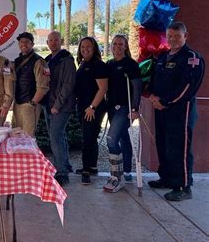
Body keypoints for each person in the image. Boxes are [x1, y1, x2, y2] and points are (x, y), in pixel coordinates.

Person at [148, 22, 205, 201]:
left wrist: (165, 102)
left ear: (185, 36)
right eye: (170, 36)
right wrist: (152, 96)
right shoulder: (164, 56)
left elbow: (187, 87)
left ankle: (182, 186)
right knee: (163, 144)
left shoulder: (191, 58)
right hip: (161, 109)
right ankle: (166, 178)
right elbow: (155, 80)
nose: (173, 40)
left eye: (177, 36)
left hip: (180, 111)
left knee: (179, 148)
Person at [103, 35, 142, 193]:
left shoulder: (131, 65)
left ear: (125, 47)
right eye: (114, 44)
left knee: (112, 139)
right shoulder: (109, 64)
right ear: (111, 46)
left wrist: (135, 109)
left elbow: (137, 88)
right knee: (124, 137)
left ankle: (116, 176)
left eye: (121, 44)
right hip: (112, 107)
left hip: (125, 107)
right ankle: (126, 171)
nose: (117, 46)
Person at [74, 36, 108, 185]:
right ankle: (93, 166)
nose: (85, 49)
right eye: (82, 47)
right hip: (83, 107)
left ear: (94, 48)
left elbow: (103, 89)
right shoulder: (83, 64)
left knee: (87, 138)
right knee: (90, 137)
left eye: (88, 47)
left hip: (93, 108)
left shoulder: (98, 65)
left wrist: (92, 107)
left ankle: (86, 170)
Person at [44, 31, 76, 186]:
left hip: (60, 106)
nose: (53, 42)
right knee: (59, 136)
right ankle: (66, 165)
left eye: (56, 40)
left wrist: (57, 105)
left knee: (55, 137)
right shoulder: (49, 60)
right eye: (51, 40)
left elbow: (68, 85)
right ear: (47, 43)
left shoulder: (67, 60)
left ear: (61, 41)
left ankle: (62, 173)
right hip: (49, 104)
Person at [12, 32, 50, 137]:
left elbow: (43, 86)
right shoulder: (18, 61)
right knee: (16, 136)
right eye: (21, 42)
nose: (23, 44)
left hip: (30, 104)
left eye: (26, 42)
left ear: (32, 44)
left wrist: (32, 103)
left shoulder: (39, 62)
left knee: (28, 137)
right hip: (18, 103)